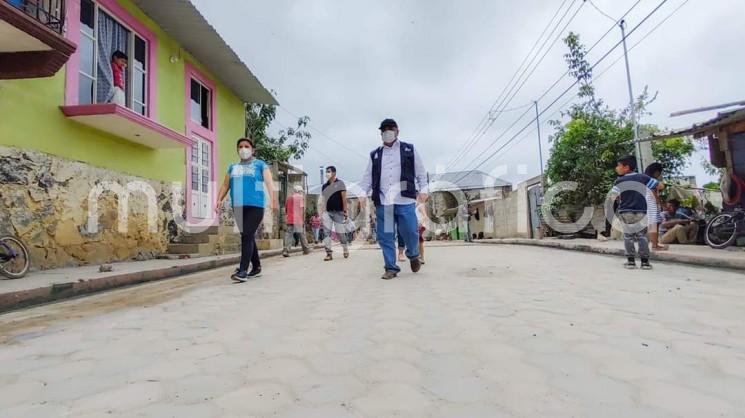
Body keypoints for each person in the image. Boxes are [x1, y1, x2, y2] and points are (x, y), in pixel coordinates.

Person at [359, 118, 428, 280]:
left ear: (397, 131)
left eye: (390, 128)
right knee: (386, 236)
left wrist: (424, 189)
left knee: (410, 231)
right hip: (384, 202)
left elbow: (420, 173)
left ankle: (413, 254)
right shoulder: (375, 154)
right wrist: (362, 194)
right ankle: (391, 267)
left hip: (405, 200)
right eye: (384, 130)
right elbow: (367, 177)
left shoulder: (409, 150)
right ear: (380, 133)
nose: (387, 132)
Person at [215, 138, 278, 282]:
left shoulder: (260, 164)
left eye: (247, 146)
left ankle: (243, 270)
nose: (243, 149)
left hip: (256, 206)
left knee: (247, 235)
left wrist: (274, 201)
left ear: (252, 149)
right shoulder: (232, 167)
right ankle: (256, 267)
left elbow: (269, 183)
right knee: (247, 236)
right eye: (240, 146)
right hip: (238, 206)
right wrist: (219, 199)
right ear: (237, 150)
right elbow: (225, 186)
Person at [611, 155, 665, 270]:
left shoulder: (619, 180)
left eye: (618, 166)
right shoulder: (643, 177)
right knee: (642, 237)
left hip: (626, 211)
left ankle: (631, 262)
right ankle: (645, 262)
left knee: (628, 236)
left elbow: (613, 197)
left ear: (626, 167)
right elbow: (660, 186)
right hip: (641, 211)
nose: (616, 168)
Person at [320, 166, 349, 261]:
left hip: (338, 212)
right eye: (326, 171)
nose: (326, 173)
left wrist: (345, 211)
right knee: (326, 233)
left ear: (334, 173)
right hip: (327, 212)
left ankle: (345, 248)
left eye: (328, 171)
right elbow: (324, 200)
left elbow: (344, 198)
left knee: (340, 232)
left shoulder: (340, 184)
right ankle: (328, 253)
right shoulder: (324, 186)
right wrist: (322, 213)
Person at [644, 162, 667, 251]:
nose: (660, 174)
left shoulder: (646, 179)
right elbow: (658, 190)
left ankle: (655, 243)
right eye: (660, 172)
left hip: (650, 203)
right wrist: (661, 204)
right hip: (651, 203)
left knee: (655, 223)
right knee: (654, 223)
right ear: (656, 172)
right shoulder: (651, 180)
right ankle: (654, 245)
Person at [283, 185, 310, 257]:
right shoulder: (301, 198)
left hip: (290, 219)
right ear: (299, 191)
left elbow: (286, 210)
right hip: (298, 219)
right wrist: (303, 220)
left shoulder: (289, 198)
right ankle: (306, 249)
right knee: (302, 235)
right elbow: (302, 210)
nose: (301, 193)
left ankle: (286, 250)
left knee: (288, 235)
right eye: (301, 191)